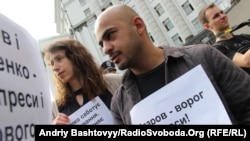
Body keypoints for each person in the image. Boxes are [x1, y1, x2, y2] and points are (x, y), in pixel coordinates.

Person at [94, 4, 250, 124]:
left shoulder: (204, 57)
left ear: (138, 25)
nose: (106, 49)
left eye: (110, 35)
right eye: (101, 44)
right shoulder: (120, 104)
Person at [42, 38, 122, 125]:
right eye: (52, 64)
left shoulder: (114, 83)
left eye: (59, 59)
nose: (55, 68)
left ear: (76, 57)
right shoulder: (55, 108)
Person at [198, 3, 250, 74]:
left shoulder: (244, 36)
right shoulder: (218, 50)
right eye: (216, 16)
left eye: (222, 12)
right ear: (207, 26)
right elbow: (246, 61)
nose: (222, 16)